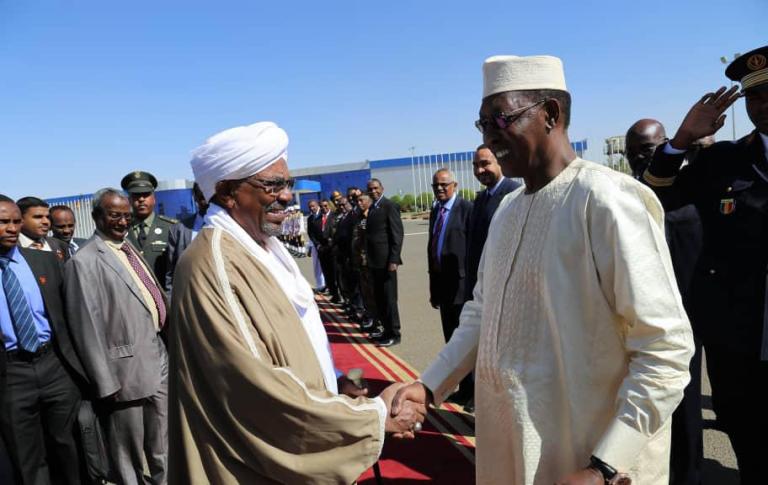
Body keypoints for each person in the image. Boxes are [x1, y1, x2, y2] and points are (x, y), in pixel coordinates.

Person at [392, 54, 694, 484]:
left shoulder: (606, 200)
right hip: (507, 452)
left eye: (501, 118)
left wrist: (606, 464)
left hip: (586, 458)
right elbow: (481, 313)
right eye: (482, 125)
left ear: (550, 113)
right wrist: (428, 386)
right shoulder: (508, 209)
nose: (490, 136)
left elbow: (666, 349)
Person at [170, 121, 425, 484]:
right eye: (272, 185)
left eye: (286, 184)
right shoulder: (215, 264)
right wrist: (373, 416)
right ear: (228, 193)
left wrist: (334, 384)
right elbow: (257, 392)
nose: (287, 196)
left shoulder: (263, 247)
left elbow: (290, 337)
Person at [642, 45, 768, 483]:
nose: (763, 105)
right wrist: (679, 141)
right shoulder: (724, 161)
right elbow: (657, 195)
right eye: (756, 97)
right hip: (741, 348)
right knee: (752, 454)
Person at [64, 188, 169, 485]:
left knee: (162, 444)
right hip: (123, 372)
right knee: (129, 454)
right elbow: (85, 326)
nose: (123, 222)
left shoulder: (128, 247)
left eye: (126, 216)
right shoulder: (83, 262)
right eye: (114, 215)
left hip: (158, 354)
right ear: (97, 217)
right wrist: (105, 381)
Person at [626, 119, 705, 485]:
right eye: (634, 151)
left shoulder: (693, 190)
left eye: (651, 148)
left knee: (685, 406)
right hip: (636, 324)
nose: (642, 157)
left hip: (688, 322)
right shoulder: (625, 197)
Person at [0, 194, 85, 485]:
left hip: (54, 368)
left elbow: (72, 315)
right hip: (11, 375)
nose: (11, 228)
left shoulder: (45, 261)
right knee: (27, 456)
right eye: (3, 222)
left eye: (14, 221)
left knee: (66, 446)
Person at [427, 168, 473, 406]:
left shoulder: (467, 209)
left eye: (444, 185)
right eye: (436, 185)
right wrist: (433, 289)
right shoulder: (436, 211)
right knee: (452, 341)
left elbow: (474, 250)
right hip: (443, 288)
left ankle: (474, 393)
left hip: (463, 288)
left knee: (468, 343)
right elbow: (432, 250)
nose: (440, 189)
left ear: (455, 185)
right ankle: (463, 388)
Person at [465, 144, 520, 302]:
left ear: (500, 162)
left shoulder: (515, 195)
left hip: (503, 289)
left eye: (485, 164)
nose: (479, 170)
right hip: (480, 288)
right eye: (475, 166)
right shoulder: (480, 199)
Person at [365, 178, 404, 347]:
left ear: (382, 188)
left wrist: (394, 259)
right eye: (370, 189)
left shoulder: (389, 206)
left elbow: (397, 234)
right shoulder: (373, 207)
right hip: (374, 262)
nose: (373, 191)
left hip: (387, 261)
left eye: (375, 188)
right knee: (379, 299)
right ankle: (386, 330)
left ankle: (394, 333)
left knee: (389, 299)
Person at [121, 171, 177, 284]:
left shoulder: (172, 228)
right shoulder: (120, 230)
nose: (141, 199)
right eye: (136, 195)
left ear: (154, 198)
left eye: (146, 194)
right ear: (129, 200)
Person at [164, 183, 209, 292]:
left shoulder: (232, 226)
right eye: (202, 197)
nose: (206, 201)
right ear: (195, 196)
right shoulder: (178, 230)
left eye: (209, 196)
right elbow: (171, 274)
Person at [15, 197, 68, 261]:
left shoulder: (60, 246)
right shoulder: (10, 248)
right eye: (38, 217)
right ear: (20, 219)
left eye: (48, 217)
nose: (46, 222)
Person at [306, 199, 326, 292]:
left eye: (313, 206)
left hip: (325, 244)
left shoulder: (323, 214)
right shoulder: (310, 218)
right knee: (316, 265)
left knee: (326, 265)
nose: (312, 208)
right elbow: (310, 233)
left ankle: (327, 284)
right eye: (310, 207)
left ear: (317, 205)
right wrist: (314, 244)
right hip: (315, 244)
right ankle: (320, 284)